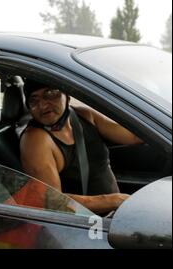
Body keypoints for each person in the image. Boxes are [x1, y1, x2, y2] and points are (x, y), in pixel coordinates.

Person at [19, 79, 143, 215]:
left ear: (67, 95)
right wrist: (113, 200)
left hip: (114, 215)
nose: (42, 105)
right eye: (34, 100)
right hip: (84, 224)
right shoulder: (36, 140)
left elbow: (134, 137)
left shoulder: (84, 116)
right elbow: (52, 202)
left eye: (50, 93)